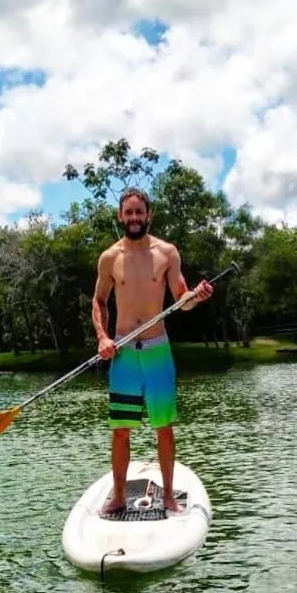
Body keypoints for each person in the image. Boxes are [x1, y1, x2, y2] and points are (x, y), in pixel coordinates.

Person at [91, 186, 214, 516]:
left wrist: (195, 297)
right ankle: (118, 496)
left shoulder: (167, 253)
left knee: (164, 428)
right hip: (124, 354)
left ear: (149, 215)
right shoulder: (109, 258)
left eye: (139, 212)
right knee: (120, 431)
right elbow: (99, 302)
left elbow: (180, 297)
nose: (133, 218)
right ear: (120, 216)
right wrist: (103, 337)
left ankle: (170, 497)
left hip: (158, 353)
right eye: (128, 213)